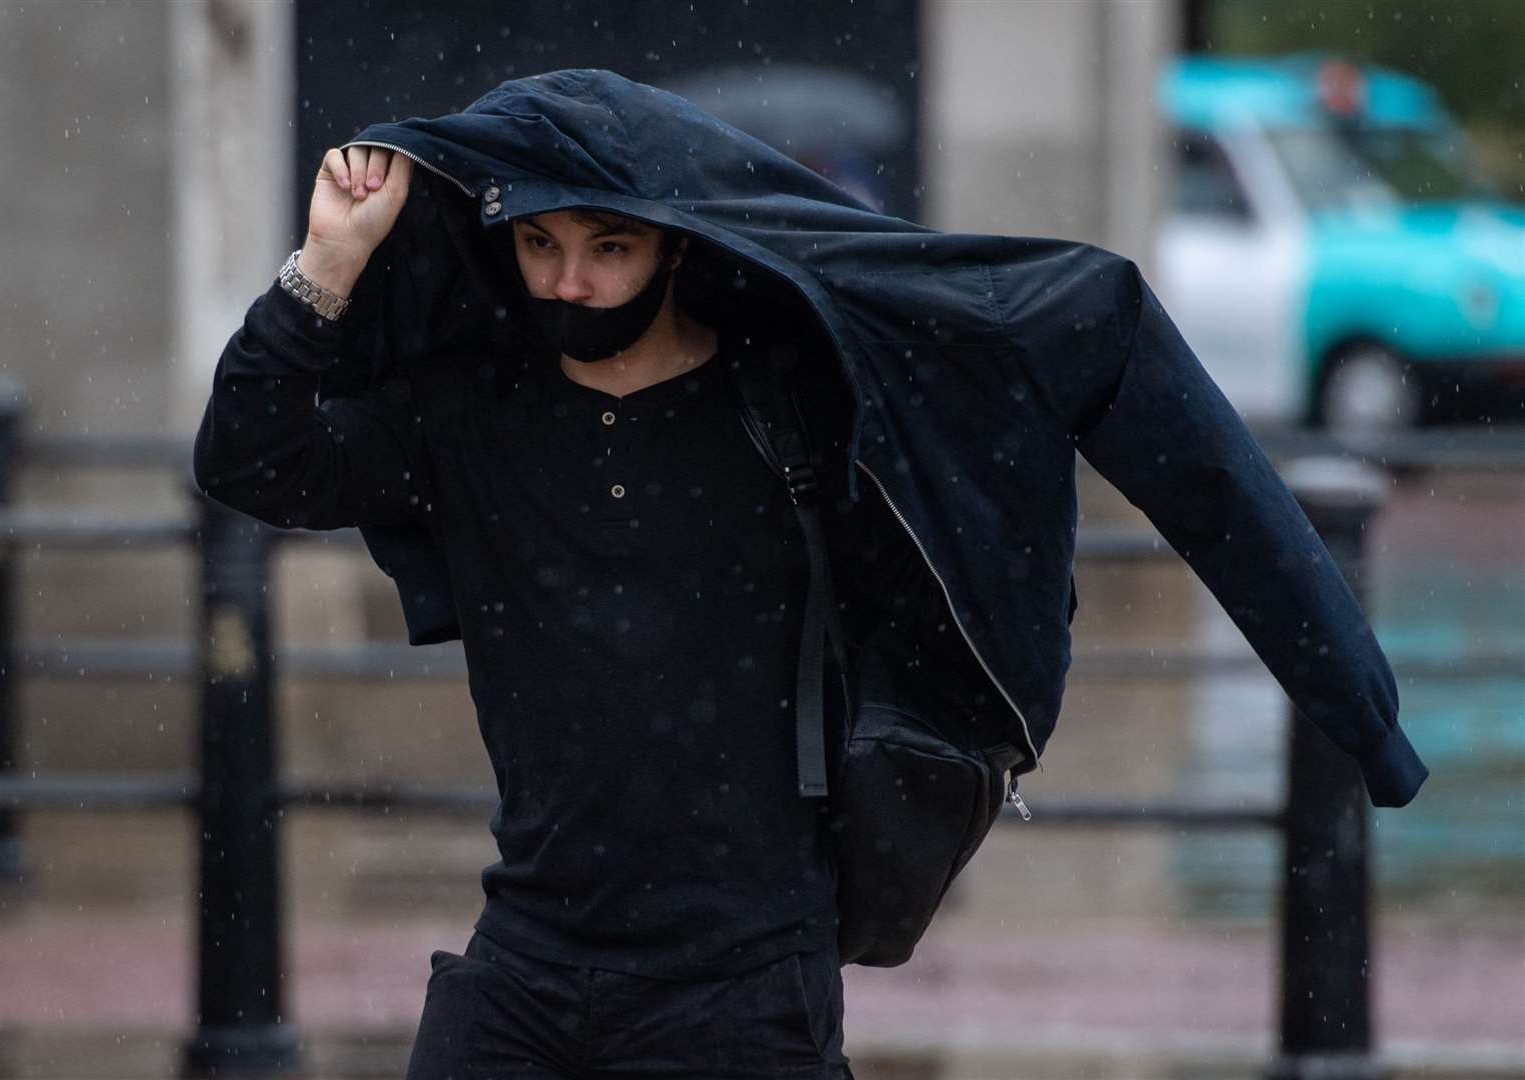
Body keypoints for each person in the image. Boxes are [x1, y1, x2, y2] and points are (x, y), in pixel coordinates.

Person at [193, 68, 1428, 1080]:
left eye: (608, 246)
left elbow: (1084, 345)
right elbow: (251, 460)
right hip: (520, 968)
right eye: (542, 245)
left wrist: (1357, 713)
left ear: (673, 245)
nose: (569, 279)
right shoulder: (471, 418)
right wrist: (327, 267)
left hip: (748, 989)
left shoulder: (785, 407)